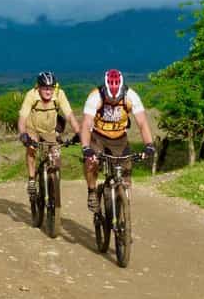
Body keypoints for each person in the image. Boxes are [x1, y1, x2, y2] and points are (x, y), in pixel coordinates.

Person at [79, 69, 155, 211]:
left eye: (116, 97)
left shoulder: (131, 96)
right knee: (91, 162)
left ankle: (123, 208)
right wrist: (86, 148)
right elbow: (86, 124)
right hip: (98, 137)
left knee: (126, 175)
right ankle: (92, 191)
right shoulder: (95, 96)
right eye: (110, 97)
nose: (113, 100)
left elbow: (142, 123)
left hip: (120, 138)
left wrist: (149, 145)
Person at [17, 71, 80, 198]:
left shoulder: (59, 94)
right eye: (45, 88)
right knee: (31, 148)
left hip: (50, 131)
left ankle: (54, 184)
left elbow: (70, 116)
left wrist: (78, 133)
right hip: (33, 129)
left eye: (51, 88)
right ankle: (32, 179)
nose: (48, 91)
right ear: (39, 87)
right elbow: (22, 118)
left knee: (56, 158)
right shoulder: (31, 95)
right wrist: (23, 134)